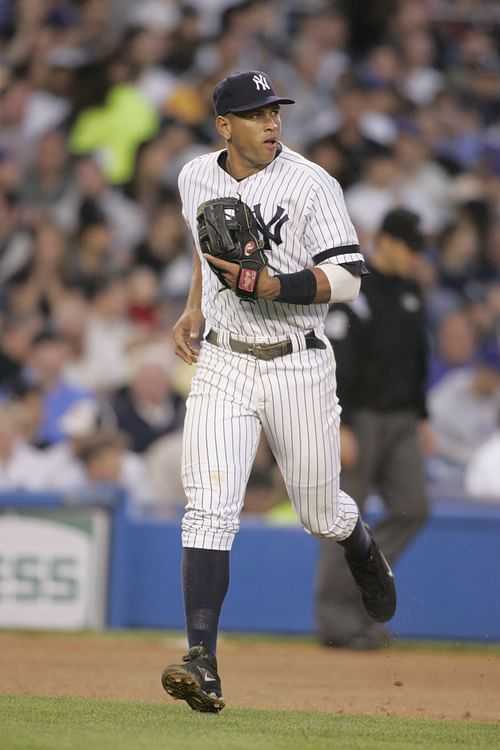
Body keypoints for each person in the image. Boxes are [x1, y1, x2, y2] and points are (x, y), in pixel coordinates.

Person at [160, 70, 396, 714]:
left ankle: (357, 539)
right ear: (224, 126)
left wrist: (274, 286)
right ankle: (201, 659)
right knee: (209, 506)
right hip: (225, 360)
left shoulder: (312, 182)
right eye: (256, 113)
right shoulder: (194, 177)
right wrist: (194, 308)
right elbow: (203, 247)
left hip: (298, 361)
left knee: (319, 512)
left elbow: (348, 280)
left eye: (276, 112)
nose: (271, 123)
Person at [316, 207, 433, 650]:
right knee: (343, 517)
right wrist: (340, 423)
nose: (416, 258)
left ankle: (365, 588)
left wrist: (423, 416)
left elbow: (417, 357)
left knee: (414, 507)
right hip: (360, 418)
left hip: (403, 419)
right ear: (385, 241)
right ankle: (336, 622)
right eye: (410, 248)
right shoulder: (355, 288)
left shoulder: (411, 291)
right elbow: (339, 362)